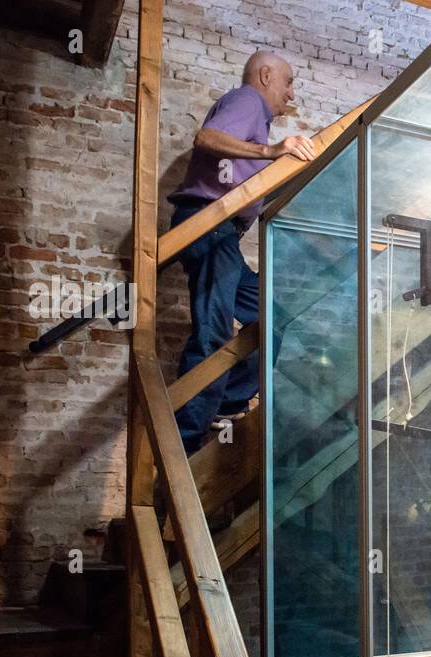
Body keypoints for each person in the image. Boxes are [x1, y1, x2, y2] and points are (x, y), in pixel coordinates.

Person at [166, 51, 316, 453]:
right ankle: (184, 441)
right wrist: (272, 152)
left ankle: (222, 403)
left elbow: (247, 185)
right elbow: (207, 138)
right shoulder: (247, 100)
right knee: (214, 333)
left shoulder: (256, 125)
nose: (291, 92)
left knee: (274, 316)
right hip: (206, 224)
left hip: (221, 235)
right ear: (266, 75)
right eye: (288, 82)